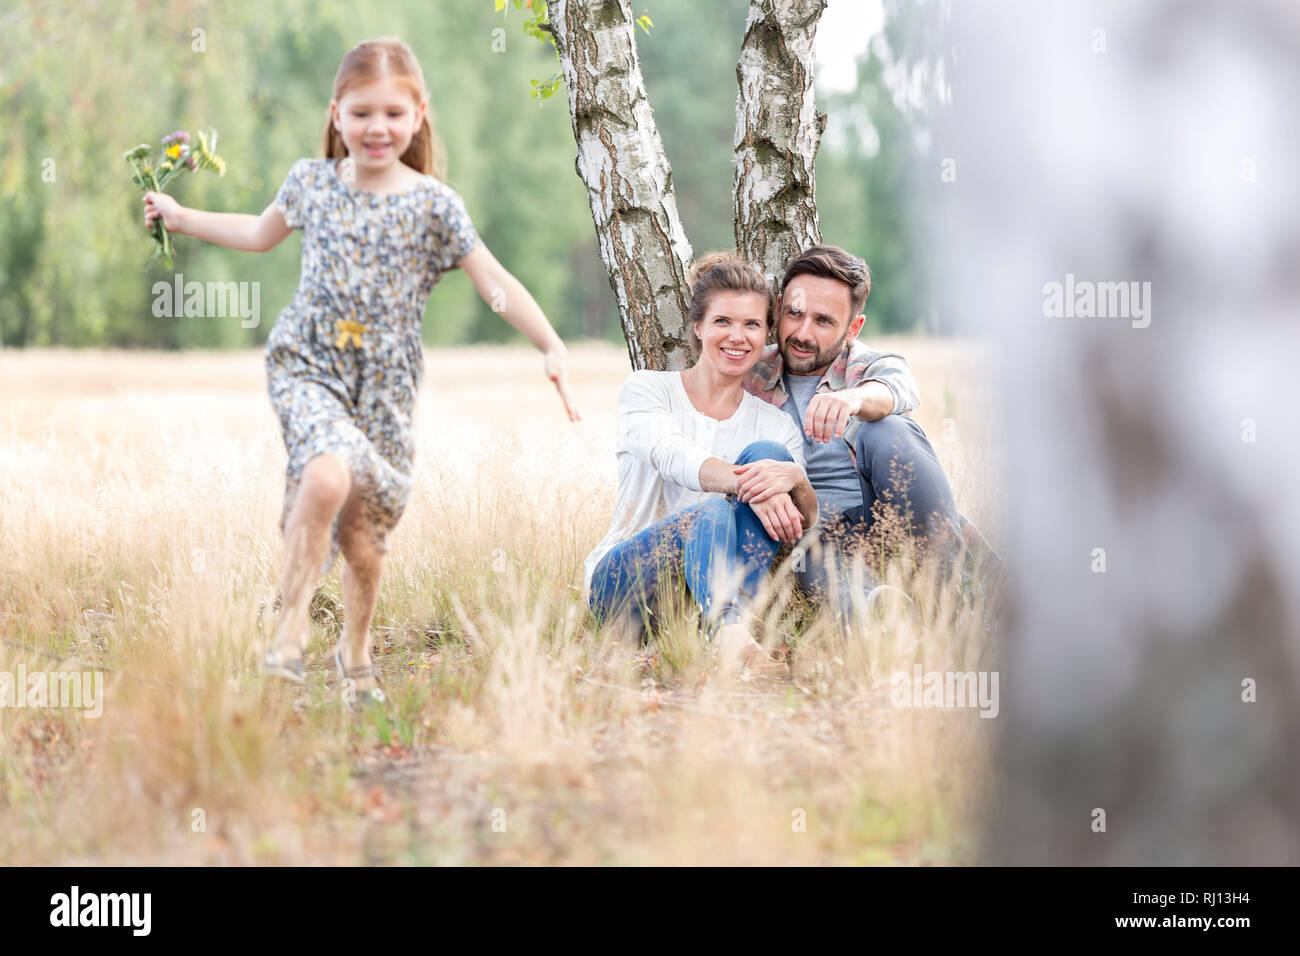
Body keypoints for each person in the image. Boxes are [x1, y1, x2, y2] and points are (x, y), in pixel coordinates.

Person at [143, 37, 580, 707]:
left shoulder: (436, 206)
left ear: (419, 115)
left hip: (384, 391)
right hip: (308, 365)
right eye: (362, 113)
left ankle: (356, 652)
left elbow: (495, 283)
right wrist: (180, 216)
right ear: (337, 114)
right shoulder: (310, 183)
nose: (378, 128)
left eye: (393, 115)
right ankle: (288, 624)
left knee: (362, 539)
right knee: (324, 472)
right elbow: (259, 233)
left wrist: (550, 343)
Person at [585, 253, 819, 676]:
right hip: (626, 591)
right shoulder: (648, 390)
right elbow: (671, 454)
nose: (737, 336)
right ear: (698, 327)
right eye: (722, 322)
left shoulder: (776, 424)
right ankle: (730, 634)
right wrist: (749, 485)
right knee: (711, 508)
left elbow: (800, 520)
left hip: (702, 607)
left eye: (752, 324)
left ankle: (727, 632)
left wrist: (795, 481)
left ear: (767, 333)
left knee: (770, 454)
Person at [742, 244, 996, 621]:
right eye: (794, 314)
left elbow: (899, 388)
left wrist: (853, 399)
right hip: (819, 537)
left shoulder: (867, 366)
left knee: (889, 429)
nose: (802, 332)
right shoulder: (749, 372)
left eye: (824, 321)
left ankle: (955, 600)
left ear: (853, 328)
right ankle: (898, 627)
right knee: (850, 597)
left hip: (893, 516)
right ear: (778, 307)